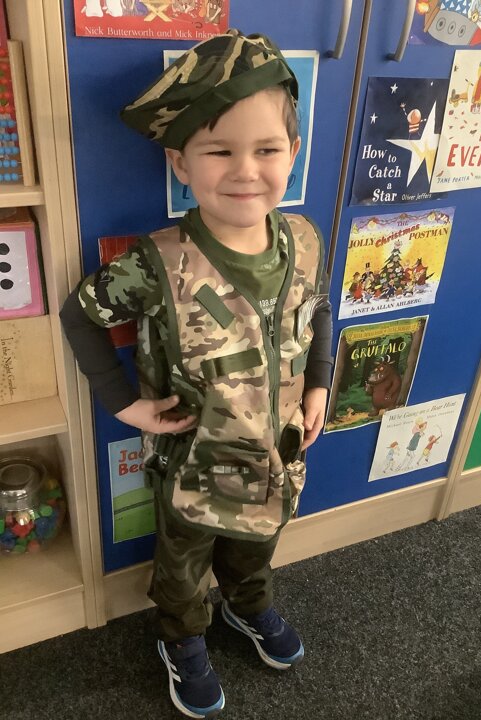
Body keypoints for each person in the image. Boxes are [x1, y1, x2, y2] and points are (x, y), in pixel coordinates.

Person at [60, 30, 333, 720]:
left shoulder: (304, 241)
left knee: (257, 546)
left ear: (293, 152)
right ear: (181, 162)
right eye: (219, 151)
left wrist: (320, 382)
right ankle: (181, 637)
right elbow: (81, 314)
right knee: (182, 569)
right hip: (193, 468)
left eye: (266, 149)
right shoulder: (159, 261)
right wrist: (124, 405)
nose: (246, 170)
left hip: (276, 456)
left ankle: (248, 605)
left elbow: (320, 307)